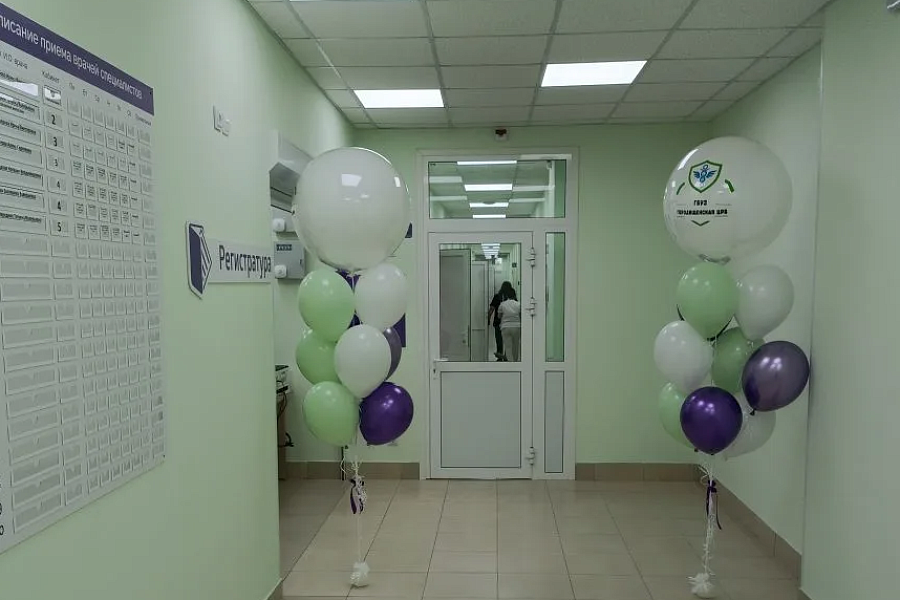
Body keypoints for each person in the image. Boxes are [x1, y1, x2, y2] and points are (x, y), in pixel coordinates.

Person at [488, 281, 515, 361]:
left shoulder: (497, 296)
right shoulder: (512, 297)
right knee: (508, 341)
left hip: (498, 322)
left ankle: (500, 356)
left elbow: (491, 309)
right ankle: (507, 356)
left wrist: (488, 318)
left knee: (499, 340)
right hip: (509, 322)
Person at [499, 288, 522, 362]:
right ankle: (515, 361)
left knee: (508, 346)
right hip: (517, 326)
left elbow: (499, 316)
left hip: (505, 327)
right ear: (514, 295)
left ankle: (510, 362)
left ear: (507, 295)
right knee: (516, 345)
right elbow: (521, 316)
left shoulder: (502, 304)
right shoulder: (518, 304)